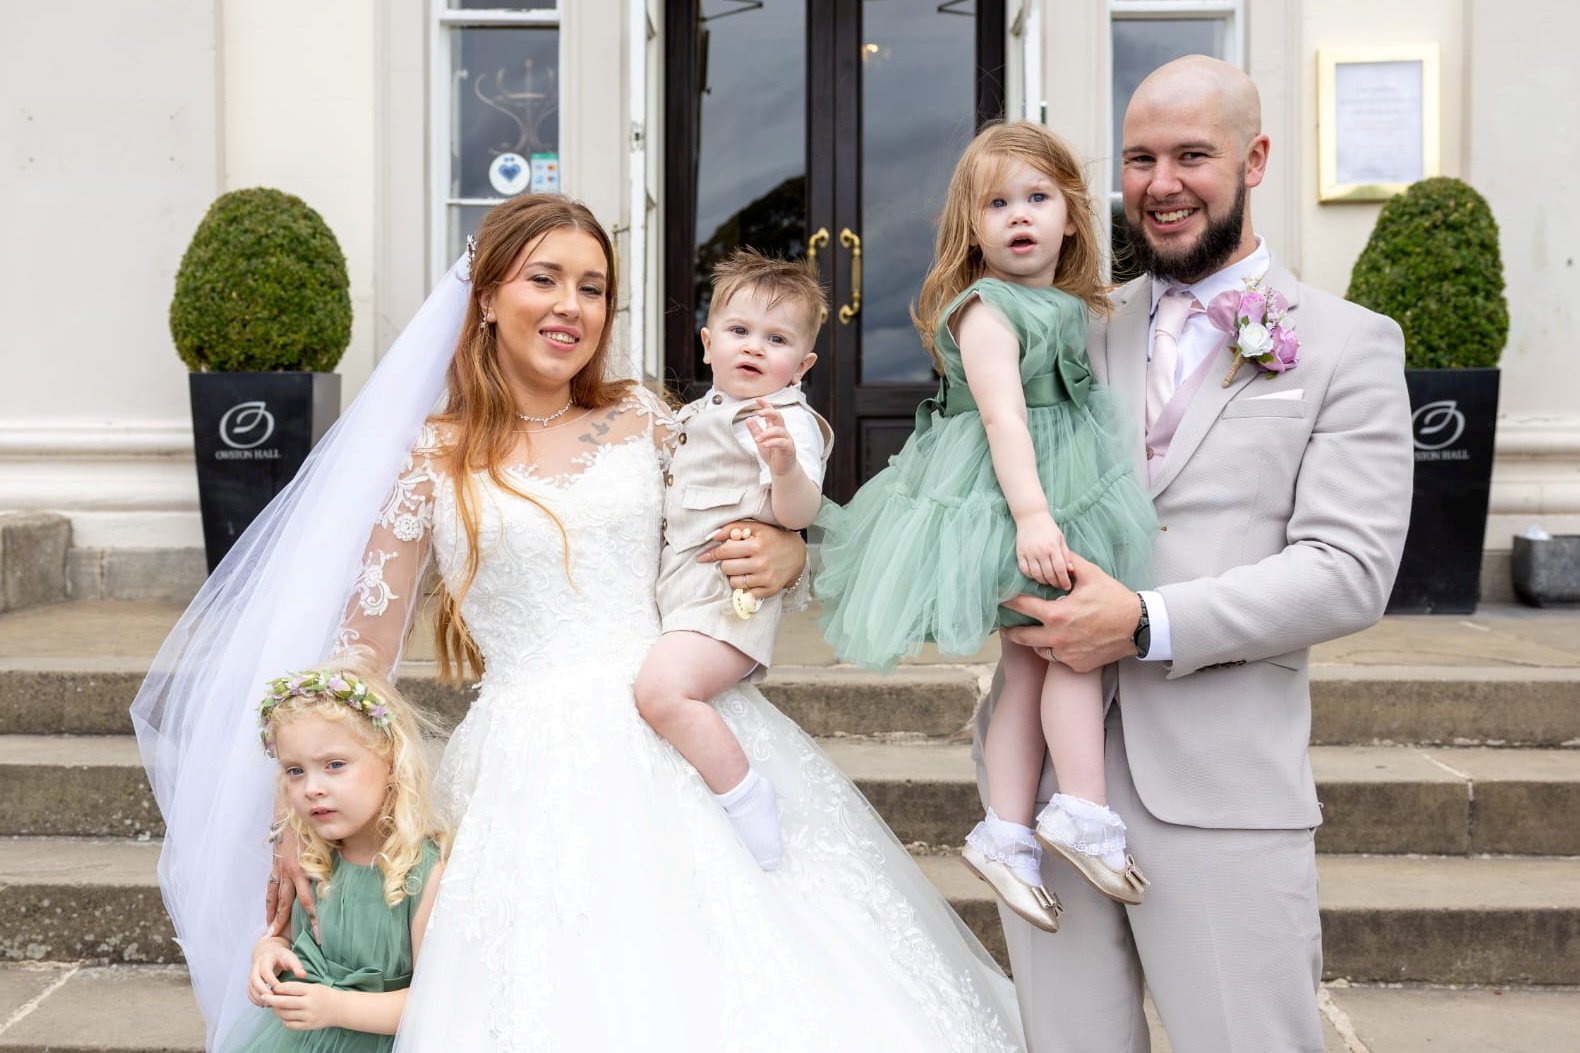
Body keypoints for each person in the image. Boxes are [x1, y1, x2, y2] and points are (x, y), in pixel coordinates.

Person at [134, 194, 1023, 1051]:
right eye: (545, 279)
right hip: (523, 767)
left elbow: (747, 511)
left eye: (592, 287)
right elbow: (360, 653)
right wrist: (295, 820)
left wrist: (790, 553)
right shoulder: (433, 457)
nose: (571, 306)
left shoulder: (647, 419)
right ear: (488, 298)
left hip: (678, 724)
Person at [975, 57, 1414, 1051]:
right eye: (1138, 159)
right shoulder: (1068, 321)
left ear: (1253, 159)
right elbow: (967, 466)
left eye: (1190, 156)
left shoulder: (1348, 344)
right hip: (1040, 790)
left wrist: (1142, 623)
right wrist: (791, 539)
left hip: (1223, 793)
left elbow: (1347, 569)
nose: (1160, 183)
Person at [816, 122, 1158, 933]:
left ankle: (1006, 832)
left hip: (1056, 488)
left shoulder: (1065, 304)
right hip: (1007, 503)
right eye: (998, 204)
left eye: (1037, 198)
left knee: (1032, 667)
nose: (1020, 216)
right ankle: (1082, 809)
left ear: (1071, 217)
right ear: (971, 227)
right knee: (1068, 651)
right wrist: (1033, 517)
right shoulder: (985, 309)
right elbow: (1003, 417)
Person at [633, 248, 832, 871]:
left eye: (777, 339)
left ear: (802, 366)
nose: (753, 347)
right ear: (707, 343)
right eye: (739, 330)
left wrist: (784, 467)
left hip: (728, 599)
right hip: (682, 594)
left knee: (661, 693)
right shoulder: (691, 417)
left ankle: (744, 794)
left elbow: (798, 513)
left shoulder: (787, 422)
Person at [237, 668, 446, 1052]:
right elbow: (281, 936)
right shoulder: (311, 860)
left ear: (391, 762)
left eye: (334, 765)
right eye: (295, 771)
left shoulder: (423, 873)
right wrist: (267, 954)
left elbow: (437, 1003)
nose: (312, 788)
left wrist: (336, 1007)